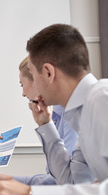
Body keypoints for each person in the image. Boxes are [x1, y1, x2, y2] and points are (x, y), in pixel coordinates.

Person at [0, 24, 108, 195]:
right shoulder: (82, 113)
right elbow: (72, 183)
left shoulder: (102, 99)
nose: (28, 91)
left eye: (32, 74)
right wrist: (46, 126)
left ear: (48, 73)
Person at [8, 56, 78, 185]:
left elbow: (67, 180)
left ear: (38, 80)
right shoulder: (54, 116)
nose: (23, 93)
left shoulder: (72, 115)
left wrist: (6, 180)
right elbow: (56, 176)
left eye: (22, 85)